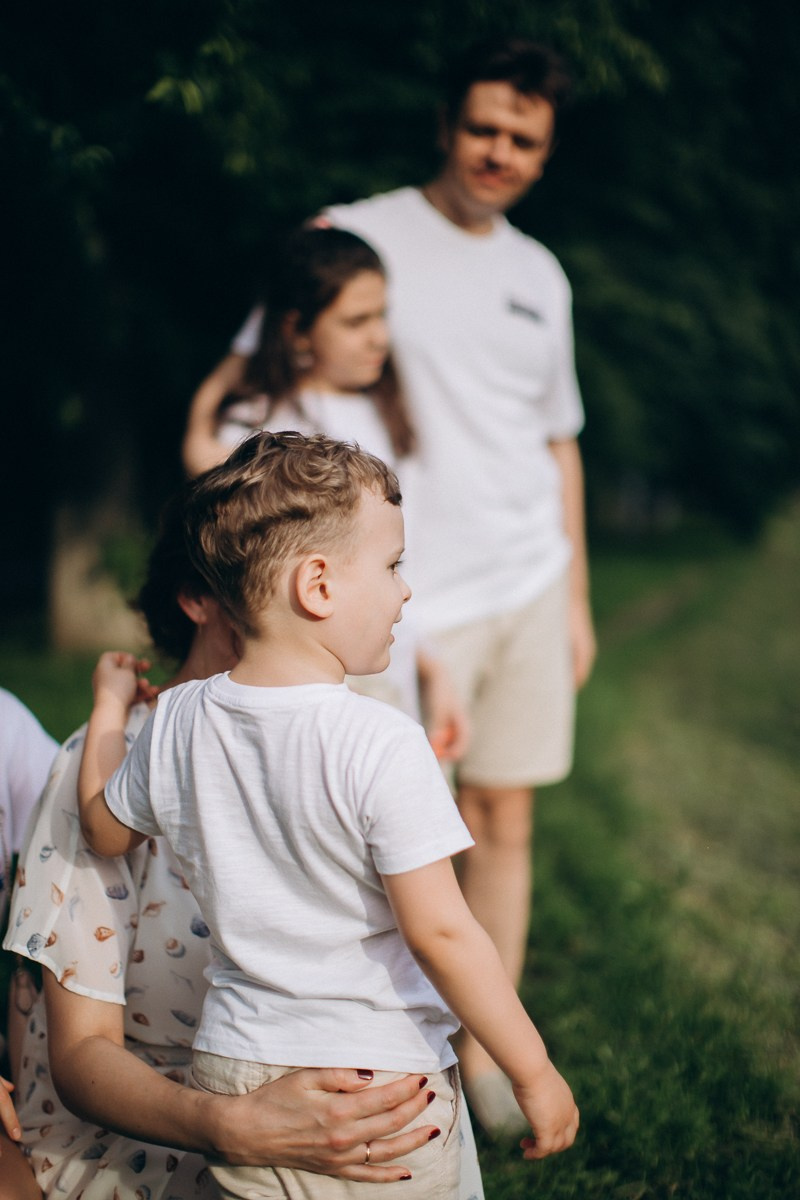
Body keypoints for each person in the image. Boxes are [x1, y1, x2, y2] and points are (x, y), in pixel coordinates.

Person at [198, 36, 596, 1136]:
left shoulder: (538, 276)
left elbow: (557, 440)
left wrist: (572, 599)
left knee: (505, 811)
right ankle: (387, 1031)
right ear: (444, 123)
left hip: (525, 574)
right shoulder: (354, 234)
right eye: (482, 128)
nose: (498, 153)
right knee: (405, 829)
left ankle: (484, 1060)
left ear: (544, 153)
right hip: (406, 594)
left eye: (523, 140)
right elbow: (259, 367)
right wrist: (202, 449)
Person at [78, 431, 579, 1199]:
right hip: (379, 1079)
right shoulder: (380, 742)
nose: (406, 591)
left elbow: (102, 829)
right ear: (317, 586)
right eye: (392, 566)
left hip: (236, 1071)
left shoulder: (176, 721)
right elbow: (443, 932)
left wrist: (111, 712)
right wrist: (533, 1069)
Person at [1, 486, 454, 1200]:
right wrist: (234, 1125)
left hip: (328, 1113)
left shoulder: (355, 746)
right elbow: (83, 1055)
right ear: (198, 599)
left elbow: (436, 940)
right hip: (149, 1142)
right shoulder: (109, 762)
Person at [183, 224, 466, 753]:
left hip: (390, 673)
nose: (379, 336)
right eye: (356, 321)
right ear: (297, 330)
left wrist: (432, 667)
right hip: (302, 697)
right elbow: (200, 463)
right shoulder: (257, 427)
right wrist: (234, 360)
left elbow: (403, 561)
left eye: (382, 315)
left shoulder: (389, 415)